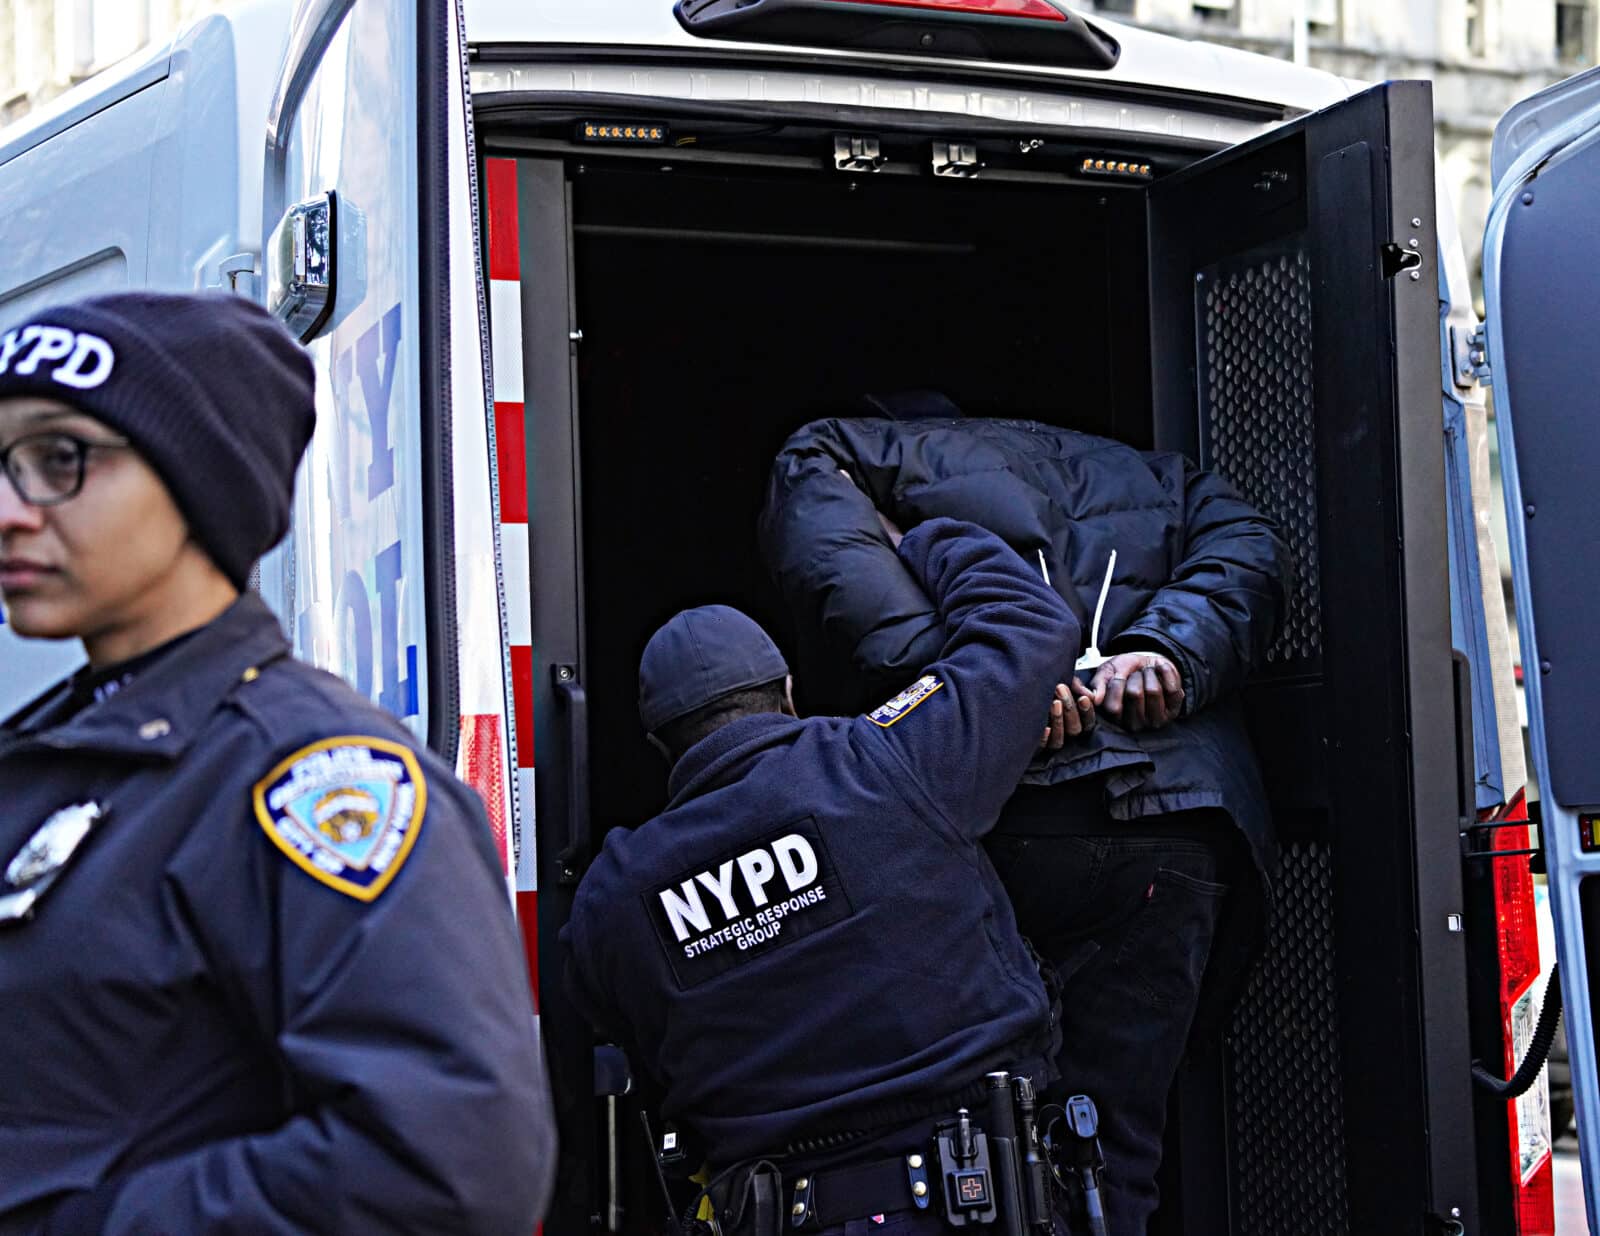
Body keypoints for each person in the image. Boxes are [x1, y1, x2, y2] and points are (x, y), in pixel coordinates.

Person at [0, 291, 555, 1235]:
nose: (9, 512)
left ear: (196, 475)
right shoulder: (52, 758)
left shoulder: (312, 777)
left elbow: (451, 1160)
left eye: (61, 460)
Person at [759, 397, 1289, 1235]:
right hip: (1177, 821)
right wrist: (1165, 651)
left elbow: (831, 555)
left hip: (1002, 814)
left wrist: (977, 687)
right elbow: (1251, 549)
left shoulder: (844, 447)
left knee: (962, 1139)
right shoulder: (1167, 477)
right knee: (1113, 1146)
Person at [563, 516, 1083, 1236]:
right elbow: (1029, 622)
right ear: (788, 692)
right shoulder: (881, 762)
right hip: (975, 1198)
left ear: (661, 746)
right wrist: (916, 541)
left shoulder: (613, 899)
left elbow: (611, 1030)